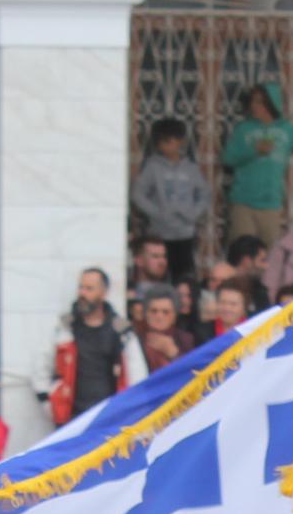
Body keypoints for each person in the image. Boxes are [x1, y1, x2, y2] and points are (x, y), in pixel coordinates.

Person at [221, 83, 293, 256]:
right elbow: (228, 158)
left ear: (270, 104)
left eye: (259, 102)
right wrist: (254, 150)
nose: (254, 106)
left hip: (270, 204)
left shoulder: (286, 130)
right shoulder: (244, 129)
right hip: (243, 203)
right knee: (242, 255)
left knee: (270, 256)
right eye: (253, 101)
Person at [41, 268, 147, 425]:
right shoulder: (64, 327)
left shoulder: (122, 331)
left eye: (89, 289)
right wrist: (47, 400)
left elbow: (137, 374)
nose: (82, 293)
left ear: (103, 293)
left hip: (110, 418)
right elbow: (43, 363)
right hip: (71, 418)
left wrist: (131, 410)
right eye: (81, 287)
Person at [131, 117, 208, 283]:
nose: (165, 146)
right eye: (161, 143)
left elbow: (203, 194)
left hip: (185, 232)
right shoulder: (152, 167)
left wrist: (193, 214)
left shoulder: (191, 168)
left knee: (185, 276)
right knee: (159, 274)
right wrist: (157, 213)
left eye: (169, 141)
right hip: (160, 233)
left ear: (180, 141)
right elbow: (138, 194)